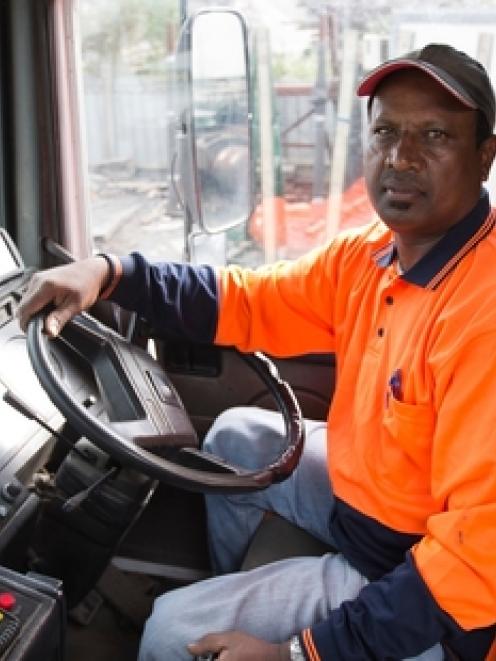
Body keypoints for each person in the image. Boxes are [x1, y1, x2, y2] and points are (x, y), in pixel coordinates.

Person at [17, 43, 496, 660]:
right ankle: (238, 600)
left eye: (434, 135)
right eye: (385, 132)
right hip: (376, 514)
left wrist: (300, 651)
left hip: (435, 606)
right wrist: (110, 274)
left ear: (484, 155)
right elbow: (246, 300)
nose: (400, 158)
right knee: (237, 438)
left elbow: (476, 559)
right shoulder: (371, 256)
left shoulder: (481, 315)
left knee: (172, 632)